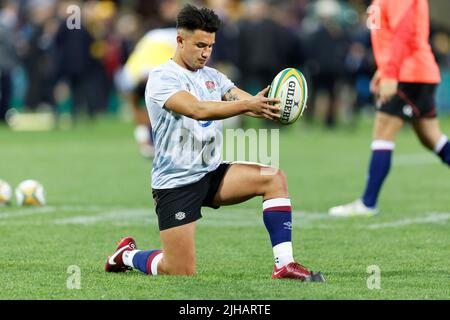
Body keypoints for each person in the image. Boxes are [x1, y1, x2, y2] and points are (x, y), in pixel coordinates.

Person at [105, 4, 325, 282]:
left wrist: (272, 106)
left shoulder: (213, 76)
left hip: (212, 173)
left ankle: (285, 265)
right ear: (180, 40)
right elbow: (198, 109)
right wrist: (248, 105)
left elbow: (237, 96)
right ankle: (126, 255)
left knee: (273, 178)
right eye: (199, 45)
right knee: (179, 270)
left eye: (210, 45)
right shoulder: (162, 78)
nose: (206, 52)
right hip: (177, 182)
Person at [329, 0, 450, 217]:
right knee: (432, 138)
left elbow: (402, 32)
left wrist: (391, 73)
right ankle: (368, 203)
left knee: (382, 132)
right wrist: (382, 70)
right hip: (413, 72)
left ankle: (368, 203)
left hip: (408, 74)